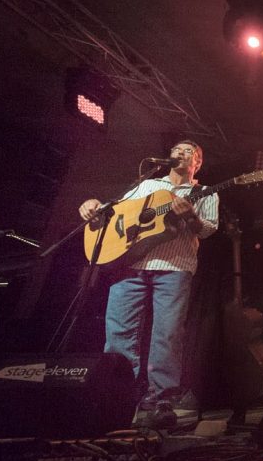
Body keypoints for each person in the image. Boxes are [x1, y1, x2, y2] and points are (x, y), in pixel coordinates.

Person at [79, 140, 219, 424]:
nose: (180, 154)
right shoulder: (148, 185)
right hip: (130, 264)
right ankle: (117, 396)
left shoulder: (203, 193)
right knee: (118, 332)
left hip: (174, 267)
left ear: (198, 163)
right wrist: (94, 206)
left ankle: (160, 400)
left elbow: (207, 230)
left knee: (166, 336)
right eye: (176, 150)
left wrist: (191, 217)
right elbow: (117, 212)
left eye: (188, 152)